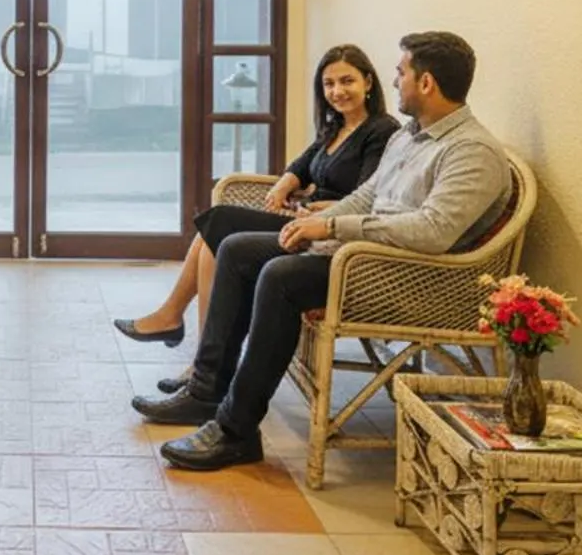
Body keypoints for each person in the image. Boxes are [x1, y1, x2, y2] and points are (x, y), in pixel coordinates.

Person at [130, 31, 512, 471]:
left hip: (402, 276)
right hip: (361, 254)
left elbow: (432, 232)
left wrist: (331, 225)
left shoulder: (471, 151)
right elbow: (369, 196)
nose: (395, 81)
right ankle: (205, 392)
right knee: (235, 248)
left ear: (426, 82)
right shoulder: (411, 137)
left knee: (281, 277)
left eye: (401, 72)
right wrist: (312, 227)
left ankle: (236, 431)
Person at [114, 46, 399, 397]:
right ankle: (197, 353)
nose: (337, 91)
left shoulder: (381, 131)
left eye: (347, 81)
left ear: (368, 81)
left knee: (217, 224)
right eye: (328, 84)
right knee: (209, 240)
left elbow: (366, 196)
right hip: (302, 221)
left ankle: (179, 330)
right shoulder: (334, 127)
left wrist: (317, 207)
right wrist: (286, 183)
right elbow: (300, 165)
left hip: (328, 233)